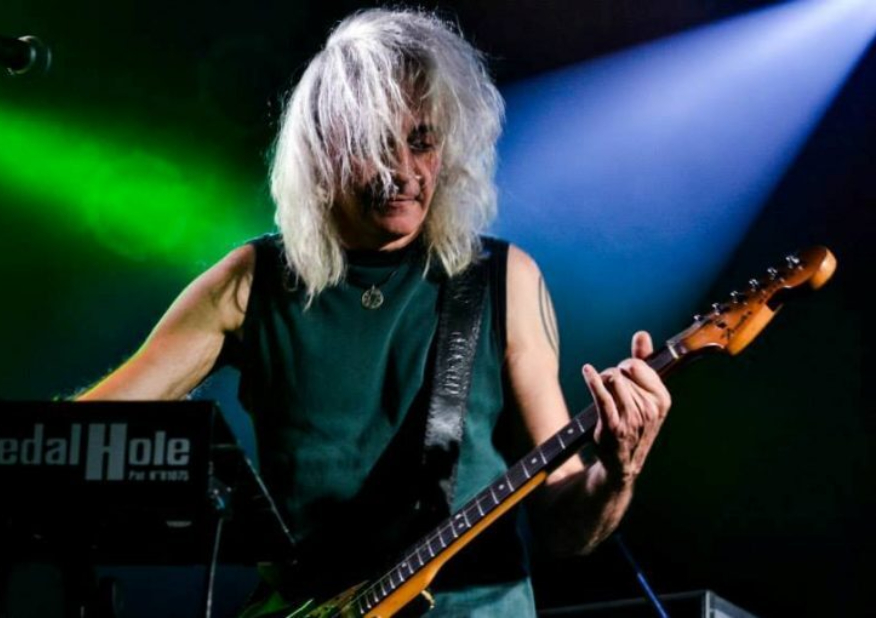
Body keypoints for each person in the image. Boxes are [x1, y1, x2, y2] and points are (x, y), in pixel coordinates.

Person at [78, 8, 671, 616]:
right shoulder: (252, 282)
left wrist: (617, 472)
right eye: (376, 143)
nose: (404, 172)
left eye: (422, 142)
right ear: (325, 149)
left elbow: (565, 528)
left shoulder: (504, 281)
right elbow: (74, 441)